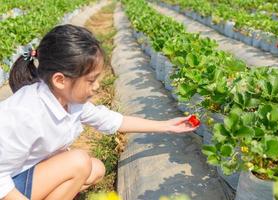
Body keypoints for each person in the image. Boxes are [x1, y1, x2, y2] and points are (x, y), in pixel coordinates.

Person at [0, 24, 198, 200]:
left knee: (95, 170)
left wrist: (167, 126)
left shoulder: (67, 100)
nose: (97, 87)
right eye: (90, 80)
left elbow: (113, 121)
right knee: (78, 162)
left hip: (21, 172)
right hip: (5, 182)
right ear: (60, 80)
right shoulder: (25, 115)